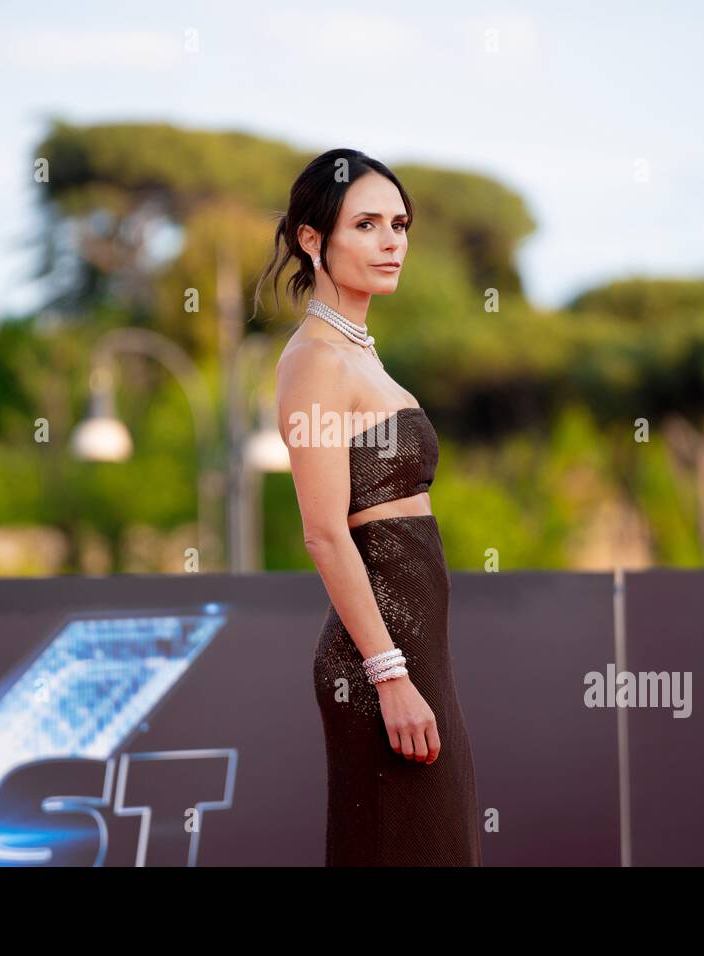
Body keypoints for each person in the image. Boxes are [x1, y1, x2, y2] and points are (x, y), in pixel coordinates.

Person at [257, 148, 482, 866]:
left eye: (400, 224)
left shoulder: (359, 355)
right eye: (367, 224)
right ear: (312, 239)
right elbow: (324, 534)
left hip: (416, 654)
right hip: (377, 662)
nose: (392, 242)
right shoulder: (315, 361)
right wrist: (388, 676)